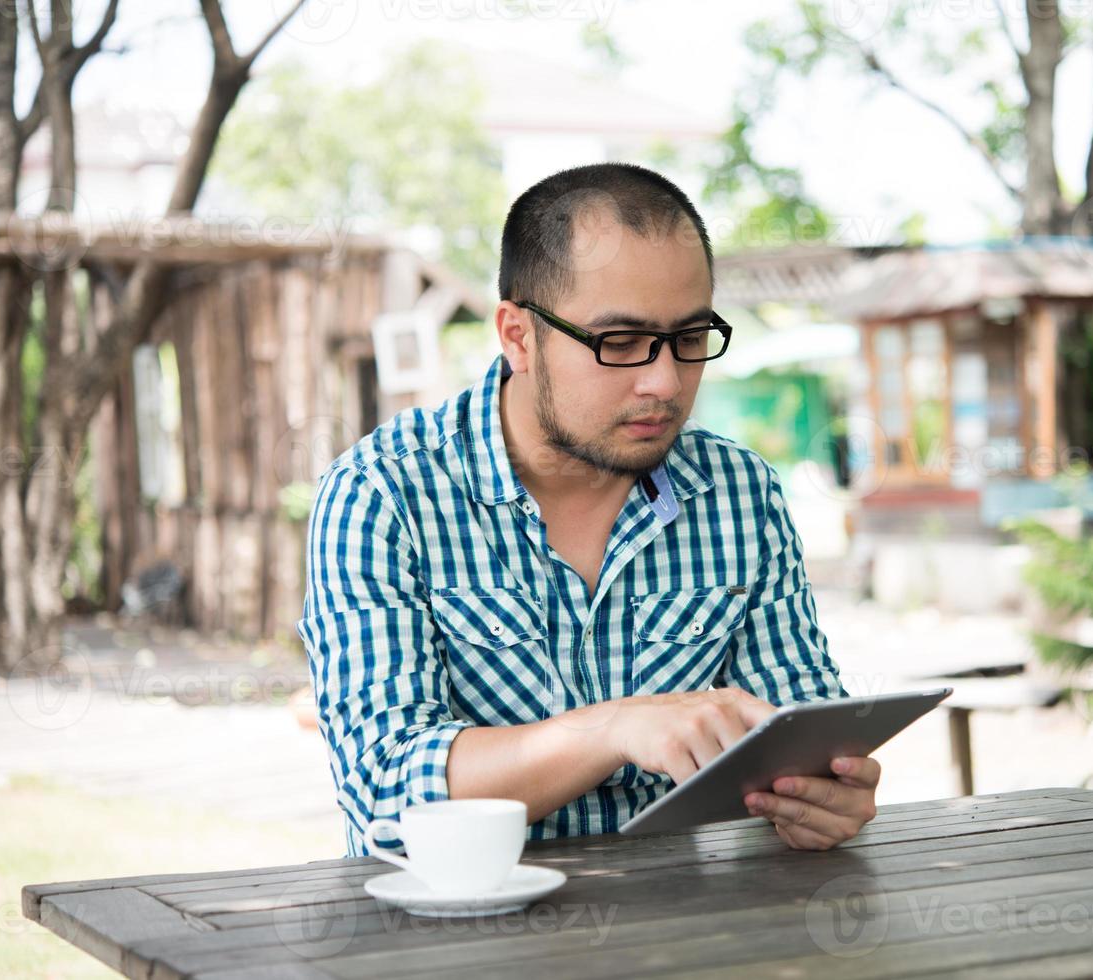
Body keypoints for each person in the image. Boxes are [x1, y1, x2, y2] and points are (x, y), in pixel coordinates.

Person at [298, 162, 880, 855]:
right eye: (620, 343)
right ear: (517, 335)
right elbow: (386, 791)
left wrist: (823, 795)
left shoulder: (738, 494)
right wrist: (613, 729)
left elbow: (797, 731)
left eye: (690, 340)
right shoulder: (381, 495)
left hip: (687, 932)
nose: (664, 381)